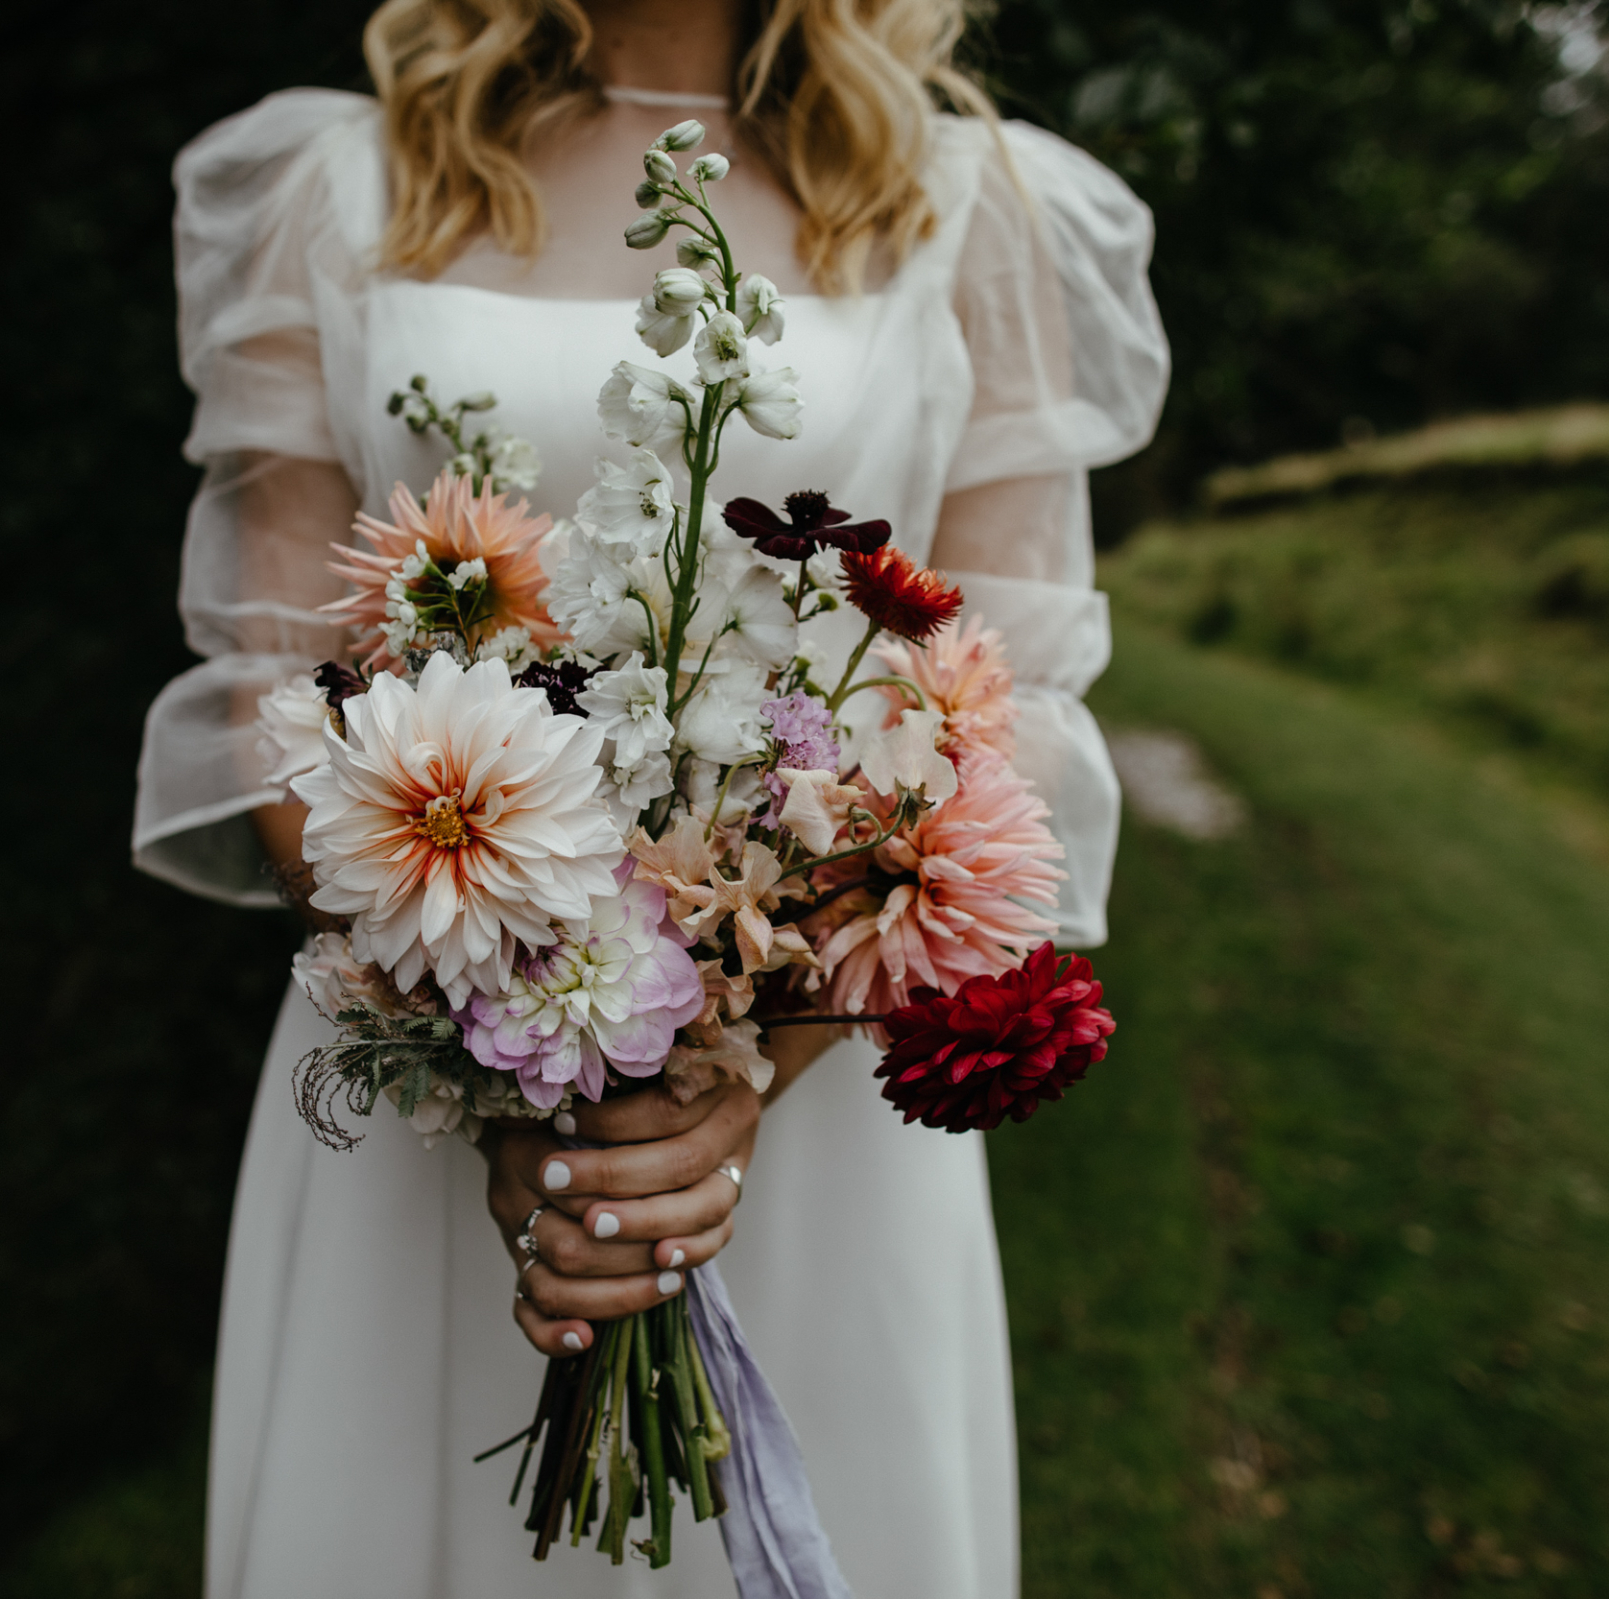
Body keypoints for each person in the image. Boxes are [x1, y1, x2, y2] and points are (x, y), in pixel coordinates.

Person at [129, 0, 1166, 1591]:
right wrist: (505, 1065)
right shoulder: (334, 185)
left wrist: (718, 1093)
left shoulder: (972, 203)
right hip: (422, 1067)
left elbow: (998, 705)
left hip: (817, 1096)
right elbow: (274, 686)